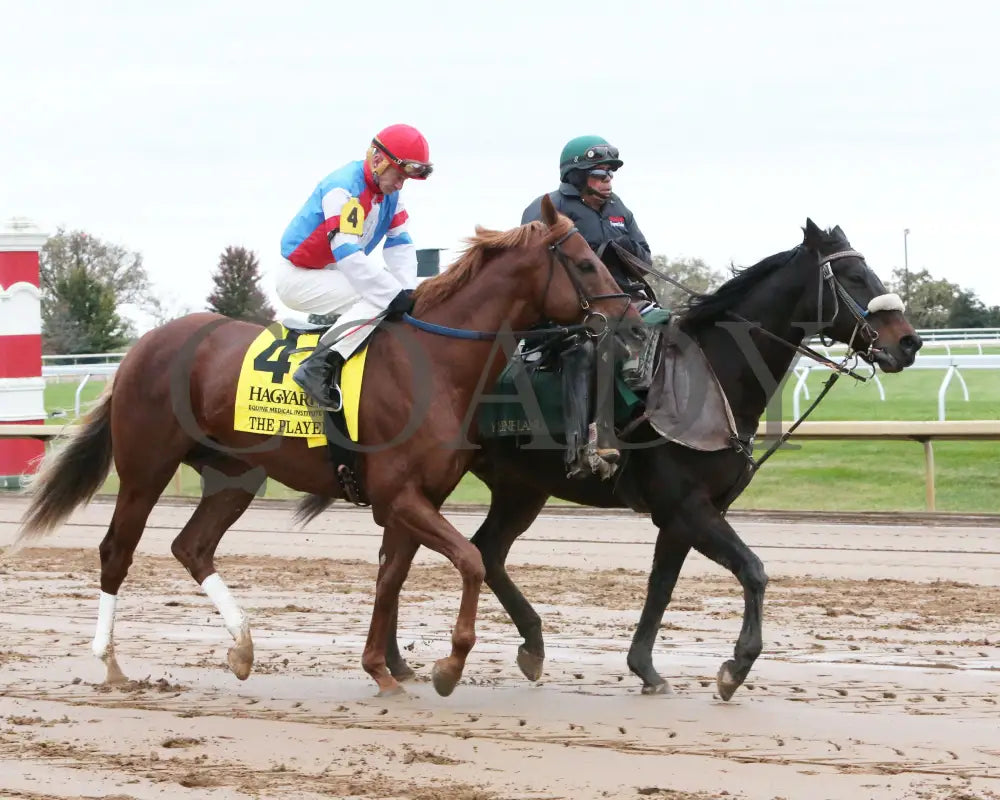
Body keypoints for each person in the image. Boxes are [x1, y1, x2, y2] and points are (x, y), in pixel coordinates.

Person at [521, 135, 662, 479]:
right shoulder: (548, 208)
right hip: (570, 313)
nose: (608, 181)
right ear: (576, 176)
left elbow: (644, 259)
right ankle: (581, 444)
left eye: (611, 174)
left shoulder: (619, 209)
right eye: (600, 174)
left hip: (625, 302)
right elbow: (530, 267)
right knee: (588, 348)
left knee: (671, 328)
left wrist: (624, 247)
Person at [274, 123, 433, 410]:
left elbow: (400, 243)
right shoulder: (342, 188)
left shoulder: (391, 195)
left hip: (332, 270)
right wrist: (393, 294)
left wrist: (408, 290)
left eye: (404, 180)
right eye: (398, 176)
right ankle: (317, 367)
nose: (399, 185)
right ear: (377, 160)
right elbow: (347, 253)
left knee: (390, 292)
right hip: (299, 276)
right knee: (378, 296)